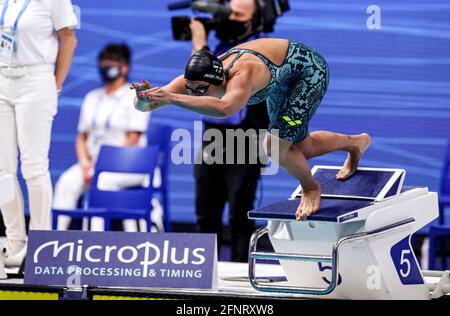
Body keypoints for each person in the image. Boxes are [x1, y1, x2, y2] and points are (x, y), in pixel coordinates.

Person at [132, 38, 372, 221]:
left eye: (200, 90)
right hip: (281, 79)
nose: (194, 93)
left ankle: (311, 187)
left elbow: (226, 108)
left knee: (275, 147)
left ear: (219, 81)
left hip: (307, 72)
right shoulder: (196, 79)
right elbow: (145, 107)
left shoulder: (242, 73)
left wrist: (173, 98)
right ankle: (356, 143)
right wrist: (144, 98)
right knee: (302, 149)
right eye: (189, 88)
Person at [189, 0, 269, 262]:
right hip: (213, 139)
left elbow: (220, 89)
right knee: (205, 215)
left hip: (246, 142)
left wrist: (199, 46)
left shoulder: (259, 49)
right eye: (228, 11)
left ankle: (240, 285)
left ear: (253, 20)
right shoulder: (221, 47)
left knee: (239, 217)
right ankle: (200, 277)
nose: (228, 18)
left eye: (236, 14)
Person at [0, 0, 78, 267]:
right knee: (3, 170)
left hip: (36, 81)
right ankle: (14, 241)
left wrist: (55, 85)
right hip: (2, 80)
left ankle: (41, 243)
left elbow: (68, 39)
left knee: (34, 167)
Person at [53, 44, 150, 232]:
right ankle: (53, 237)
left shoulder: (136, 96)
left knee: (101, 182)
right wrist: (84, 163)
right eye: (104, 61)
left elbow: (133, 140)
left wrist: (102, 166)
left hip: (125, 166)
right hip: (91, 164)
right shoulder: (92, 97)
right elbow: (82, 137)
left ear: (125, 67)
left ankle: (95, 240)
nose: (107, 65)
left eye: (113, 61)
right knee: (67, 181)